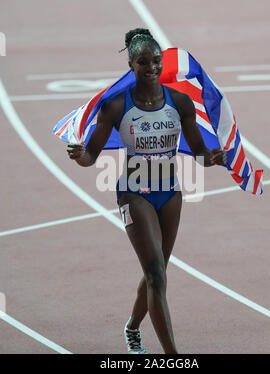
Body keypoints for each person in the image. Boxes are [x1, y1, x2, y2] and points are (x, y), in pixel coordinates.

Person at [67, 28, 227, 354]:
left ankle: (132, 327)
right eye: (143, 62)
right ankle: (173, 357)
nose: (151, 67)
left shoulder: (180, 103)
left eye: (156, 61)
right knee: (155, 273)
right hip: (133, 193)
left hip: (170, 193)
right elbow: (91, 156)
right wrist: (79, 154)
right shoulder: (114, 107)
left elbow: (197, 151)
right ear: (131, 64)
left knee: (157, 274)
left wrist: (212, 158)